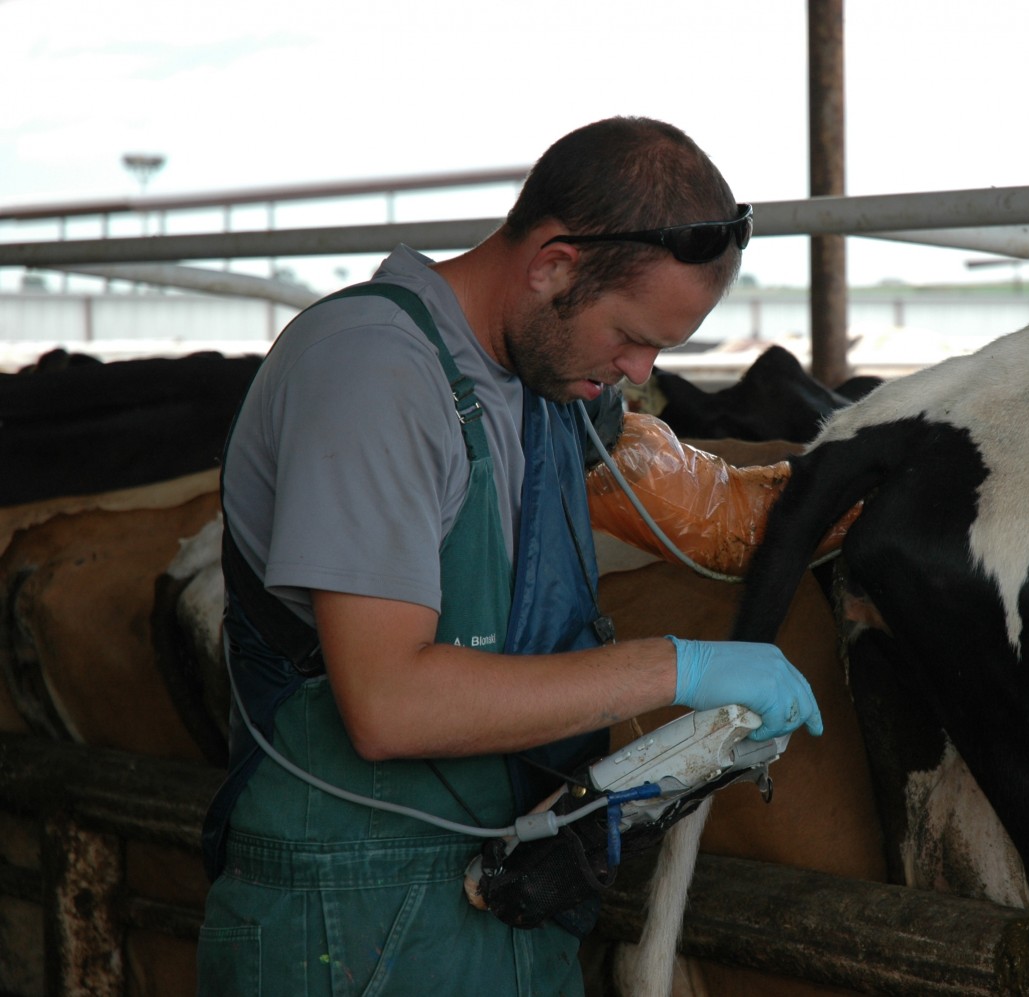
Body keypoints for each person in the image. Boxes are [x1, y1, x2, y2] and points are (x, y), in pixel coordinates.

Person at [197, 116, 823, 996]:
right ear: (554, 264)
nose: (640, 370)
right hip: (352, 924)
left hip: (511, 894)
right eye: (631, 333)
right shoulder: (375, 372)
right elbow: (388, 703)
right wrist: (680, 667)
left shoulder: (541, 389)